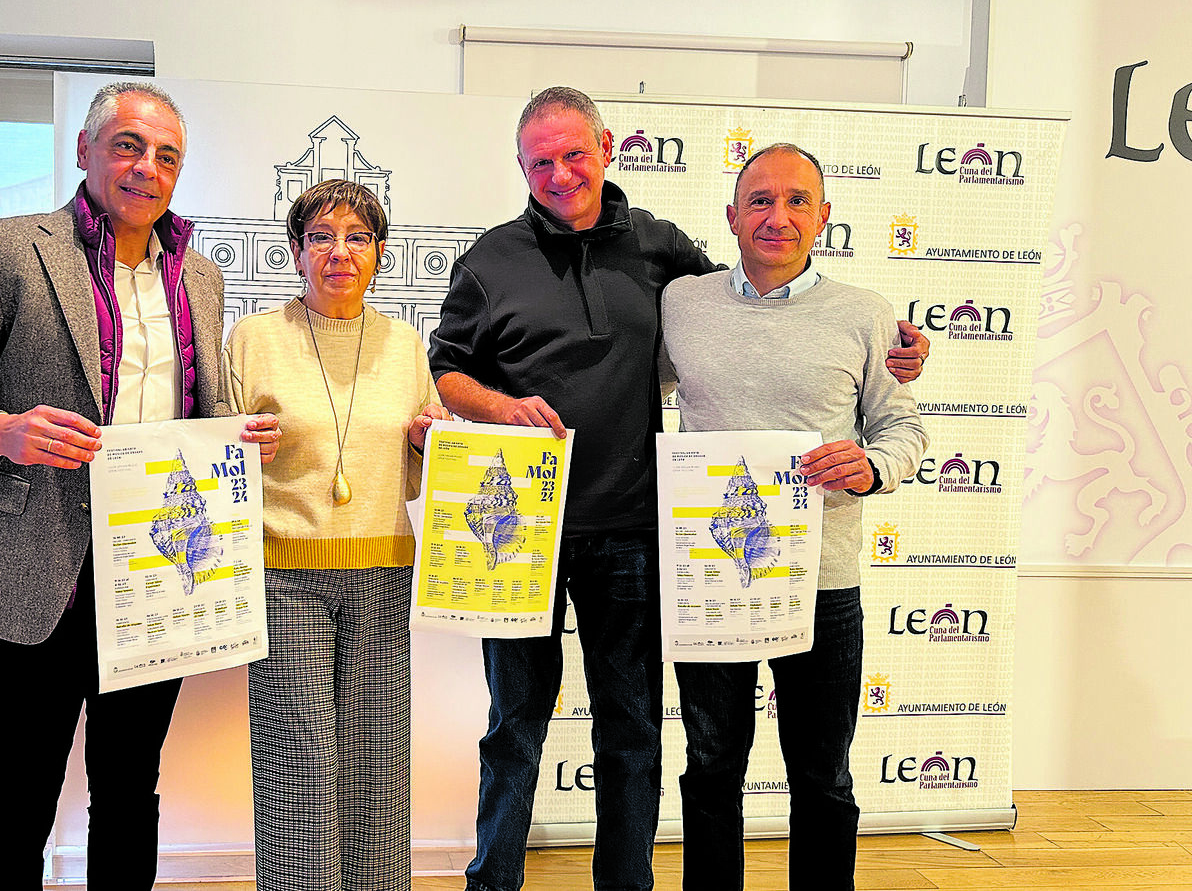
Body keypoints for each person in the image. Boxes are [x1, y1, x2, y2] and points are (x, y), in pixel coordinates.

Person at [427, 87, 931, 891]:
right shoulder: (495, 260)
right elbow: (447, 369)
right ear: (521, 166)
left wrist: (898, 354)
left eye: (575, 153)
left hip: (651, 537)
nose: (559, 173)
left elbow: (770, 313)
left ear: (607, 146)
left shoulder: (669, 256)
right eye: (540, 161)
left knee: (645, 734)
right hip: (520, 530)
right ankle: (494, 884)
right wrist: (489, 410)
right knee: (521, 728)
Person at [0, 81, 279, 890]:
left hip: (160, 574)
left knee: (131, 786)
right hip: (39, 569)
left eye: (166, 154)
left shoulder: (199, 277)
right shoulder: (2, 250)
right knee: (22, 790)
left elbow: (191, 411)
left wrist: (238, 438)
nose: (147, 167)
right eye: (128, 145)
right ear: (85, 151)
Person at [659, 142, 928, 891]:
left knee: (823, 774)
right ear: (732, 216)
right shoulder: (682, 303)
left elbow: (903, 429)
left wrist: (871, 466)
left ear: (825, 217)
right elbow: (620, 382)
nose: (777, 217)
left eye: (797, 200)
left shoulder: (866, 316)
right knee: (711, 766)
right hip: (713, 579)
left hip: (825, 582)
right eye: (760, 200)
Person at [224, 179, 446, 891]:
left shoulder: (406, 345)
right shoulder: (255, 339)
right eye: (321, 237)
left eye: (357, 237)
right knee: (301, 756)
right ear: (295, 253)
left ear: (379, 254)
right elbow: (216, 463)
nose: (339, 252)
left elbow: (414, 477)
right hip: (283, 573)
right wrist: (237, 447)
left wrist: (428, 442)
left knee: (380, 756)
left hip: (383, 568)